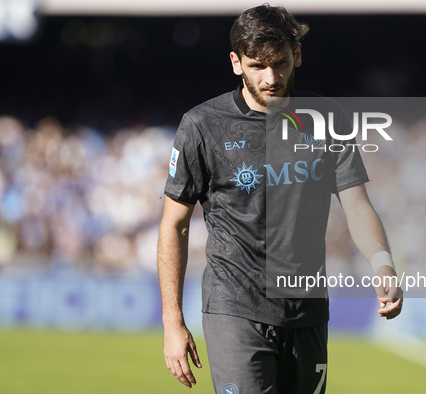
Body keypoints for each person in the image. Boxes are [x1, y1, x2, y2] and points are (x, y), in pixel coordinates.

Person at [157, 4, 403, 393]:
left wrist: (383, 264)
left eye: (281, 63)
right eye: (257, 66)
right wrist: (173, 321)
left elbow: (356, 203)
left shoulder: (326, 118)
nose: (271, 78)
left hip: (307, 311)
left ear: (298, 56)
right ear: (236, 63)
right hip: (234, 307)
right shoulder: (202, 126)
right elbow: (175, 223)